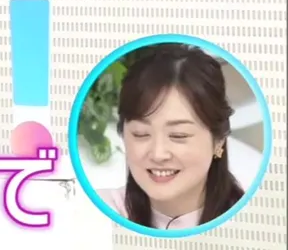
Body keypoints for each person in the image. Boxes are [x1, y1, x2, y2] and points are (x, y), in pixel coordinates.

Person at [97, 42, 245, 230]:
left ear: (218, 140)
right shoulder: (95, 212)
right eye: (140, 134)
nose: (158, 154)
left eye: (178, 135)